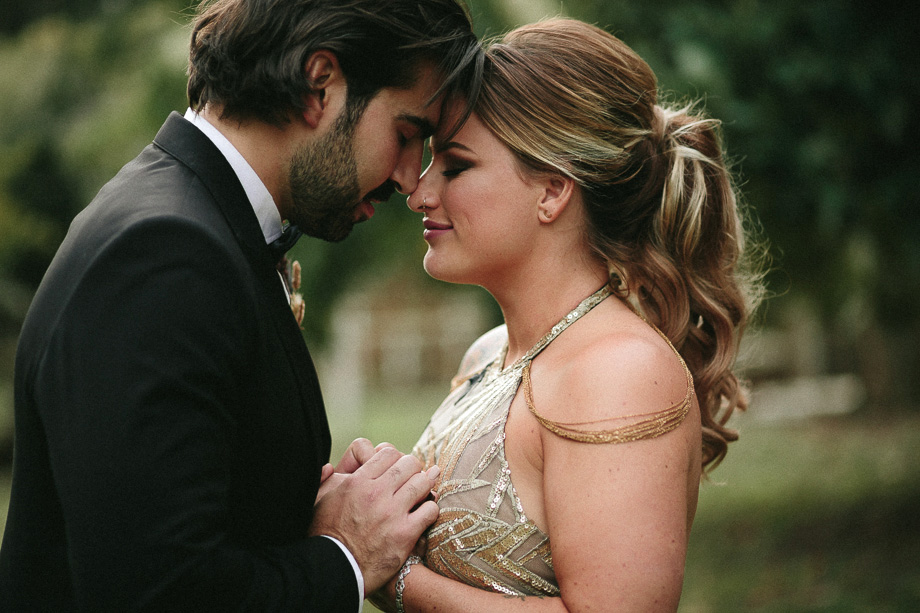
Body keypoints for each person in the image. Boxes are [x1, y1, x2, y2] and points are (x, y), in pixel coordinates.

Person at [0, 0, 482, 610]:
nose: (411, 179)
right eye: (406, 134)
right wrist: (345, 556)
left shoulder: (195, 225)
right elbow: (159, 594)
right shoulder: (164, 255)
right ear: (319, 84)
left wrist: (303, 514)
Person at [373, 18, 766, 612]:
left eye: (454, 167)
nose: (419, 192)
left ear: (552, 191)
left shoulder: (620, 373)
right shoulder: (488, 353)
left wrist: (384, 573)